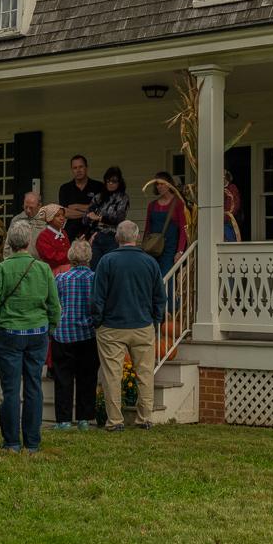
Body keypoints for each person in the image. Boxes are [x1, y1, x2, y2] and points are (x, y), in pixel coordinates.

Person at [0, 222, 61, 453]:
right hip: (37, 332)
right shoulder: (43, 269)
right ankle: (33, 442)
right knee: (34, 387)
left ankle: (12, 442)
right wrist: (51, 327)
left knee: (10, 390)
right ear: (28, 242)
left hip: (9, 333)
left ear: (10, 243)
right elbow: (54, 304)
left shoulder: (1, 270)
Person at [90, 220, 166, 431]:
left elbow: (97, 297)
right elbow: (160, 296)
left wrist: (98, 321)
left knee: (112, 375)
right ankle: (145, 418)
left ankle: (115, 421)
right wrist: (156, 319)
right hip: (142, 325)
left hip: (111, 326)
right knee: (145, 373)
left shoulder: (107, 261)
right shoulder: (150, 262)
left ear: (117, 238)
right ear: (137, 236)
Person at [51, 238, 99, 430]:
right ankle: (84, 418)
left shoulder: (60, 279)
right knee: (87, 377)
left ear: (71, 256)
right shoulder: (95, 278)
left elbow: (54, 305)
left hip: (64, 334)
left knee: (63, 378)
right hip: (88, 333)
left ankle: (63, 420)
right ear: (89, 257)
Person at [84, 166, 129, 269]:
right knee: (95, 269)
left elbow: (119, 218)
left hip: (112, 237)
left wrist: (99, 218)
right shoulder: (99, 197)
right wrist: (93, 220)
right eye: (108, 181)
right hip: (95, 236)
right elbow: (86, 217)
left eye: (114, 181)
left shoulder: (123, 197)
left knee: (111, 268)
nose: (110, 183)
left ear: (119, 182)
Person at [143, 172, 186, 277]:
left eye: (162, 183)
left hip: (169, 250)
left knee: (167, 276)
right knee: (152, 277)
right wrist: (144, 248)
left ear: (169, 184)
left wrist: (180, 251)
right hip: (152, 248)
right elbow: (147, 228)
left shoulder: (178, 203)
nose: (159, 186)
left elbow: (183, 229)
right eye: (157, 184)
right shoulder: (152, 205)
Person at [58, 155, 105, 242]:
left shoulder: (98, 186)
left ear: (86, 168)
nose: (78, 170)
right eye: (75, 168)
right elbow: (65, 212)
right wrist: (88, 214)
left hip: (94, 234)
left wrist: (76, 206)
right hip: (71, 234)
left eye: (81, 167)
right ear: (72, 170)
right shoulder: (65, 188)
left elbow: (100, 210)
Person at [35, 205, 71, 275]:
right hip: (52, 273)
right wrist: (70, 255)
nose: (62, 218)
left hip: (67, 272)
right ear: (50, 218)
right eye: (58, 216)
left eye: (63, 215)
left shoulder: (63, 232)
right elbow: (51, 257)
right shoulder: (43, 236)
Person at [7, 191, 45, 256]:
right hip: (18, 261)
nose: (28, 210)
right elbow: (8, 244)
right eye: (26, 207)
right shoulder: (17, 220)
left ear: (39, 206)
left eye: (31, 208)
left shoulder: (46, 220)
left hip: (38, 263)